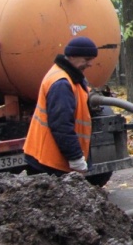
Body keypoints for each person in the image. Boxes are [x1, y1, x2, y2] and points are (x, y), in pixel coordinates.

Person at [23, 36, 99, 176]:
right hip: (48, 162)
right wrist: (76, 158)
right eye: (87, 59)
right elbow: (61, 125)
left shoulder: (71, 77)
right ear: (72, 56)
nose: (90, 64)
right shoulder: (61, 83)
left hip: (52, 159)